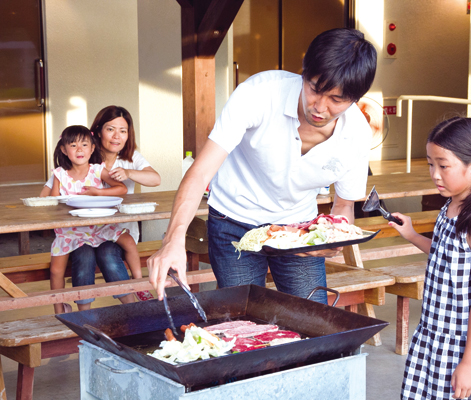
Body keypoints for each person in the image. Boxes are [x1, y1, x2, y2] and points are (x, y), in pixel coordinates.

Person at [147, 28, 378, 304]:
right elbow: (200, 172)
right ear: (303, 73)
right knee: (245, 319)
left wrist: (332, 241)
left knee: (313, 315)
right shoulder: (259, 94)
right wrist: (173, 240)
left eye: (336, 100)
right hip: (234, 219)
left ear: (355, 99)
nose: (320, 106)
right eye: (315, 89)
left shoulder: (357, 133)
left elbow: (343, 207)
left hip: (298, 229)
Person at [390, 117, 471, 399]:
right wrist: (410, 234)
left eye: (443, 165)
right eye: (431, 164)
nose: (435, 174)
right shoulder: (449, 207)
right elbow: (445, 255)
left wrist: (470, 363)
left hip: (466, 342)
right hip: (436, 331)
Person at [42, 105, 161, 306]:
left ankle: (133, 305)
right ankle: (84, 311)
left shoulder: (129, 158)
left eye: (123, 131)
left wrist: (129, 173)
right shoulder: (79, 161)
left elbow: (155, 179)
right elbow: (48, 196)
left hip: (113, 230)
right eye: (110, 129)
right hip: (79, 232)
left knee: (107, 252)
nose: (117, 136)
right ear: (98, 132)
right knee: (85, 254)